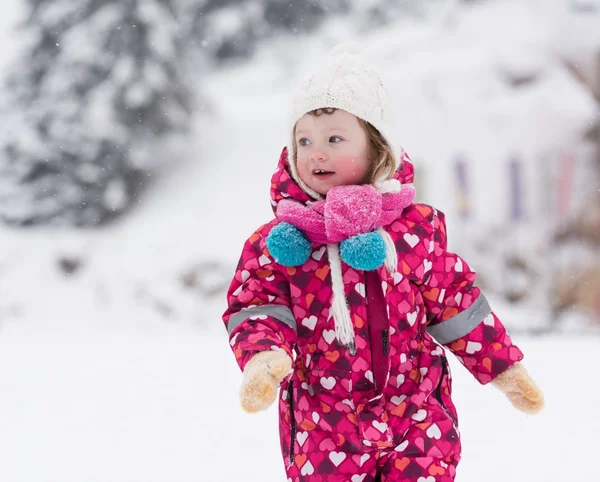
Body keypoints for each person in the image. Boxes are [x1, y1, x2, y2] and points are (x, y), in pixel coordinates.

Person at [222, 42, 544, 482]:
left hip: (417, 414)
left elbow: (456, 304)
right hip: (325, 424)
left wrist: (503, 366)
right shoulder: (277, 244)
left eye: (335, 139)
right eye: (304, 140)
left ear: (377, 148)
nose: (316, 152)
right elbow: (255, 306)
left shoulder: (413, 233)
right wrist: (264, 356)